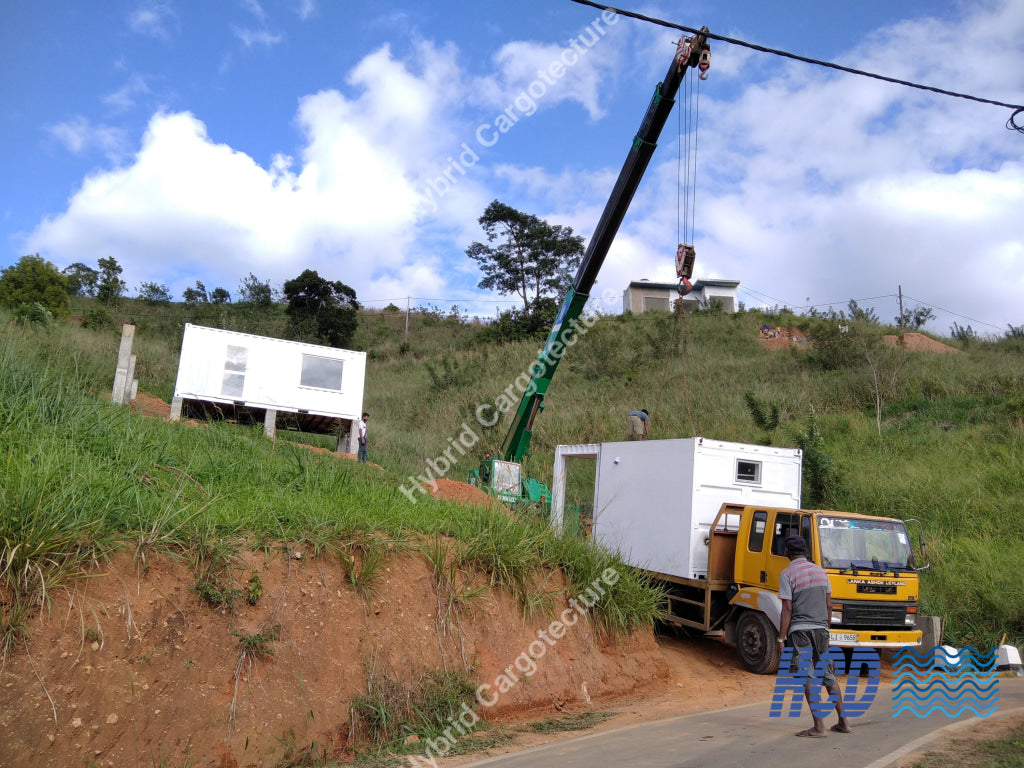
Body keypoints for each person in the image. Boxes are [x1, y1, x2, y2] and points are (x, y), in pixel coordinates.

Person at [778, 535, 852, 738]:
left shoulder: (787, 574)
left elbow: (787, 608)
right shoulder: (821, 572)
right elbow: (829, 605)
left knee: (807, 675)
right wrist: (825, 629)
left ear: (787, 552)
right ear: (807, 552)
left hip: (799, 631)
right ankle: (843, 722)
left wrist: (780, 638)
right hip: (821, 630)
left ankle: (819, 727)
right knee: (828, 675)